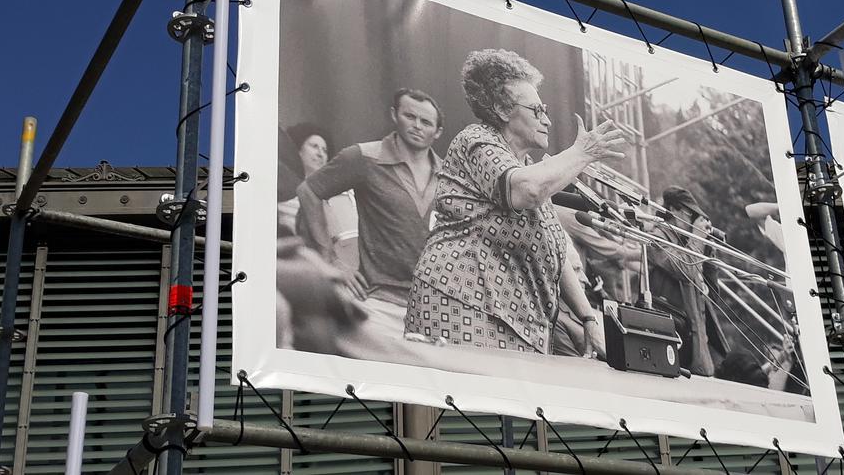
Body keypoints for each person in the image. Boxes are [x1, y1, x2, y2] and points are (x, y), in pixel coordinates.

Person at [404, 48, 628, 356]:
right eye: (537, 110)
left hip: (514, 320)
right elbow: (528, 190)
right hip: (461, 304)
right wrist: (582, 152)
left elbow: (556, 251)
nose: (547, 120)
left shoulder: (524, 164)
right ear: (502, 108)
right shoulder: (477, 141)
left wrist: (588, 318)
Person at [297, 89, 445, 335]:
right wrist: (332, 261)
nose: (417, 126)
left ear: (437, 132)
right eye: (410, 116)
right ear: (394, 115)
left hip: (435, 309)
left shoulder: (449, 174)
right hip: (380, 302)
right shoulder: (364, 157)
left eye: (426, 122)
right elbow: (309, 191)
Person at [649, 185, 720, 376]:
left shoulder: (687, 241)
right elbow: (685, 269)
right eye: (690, 214)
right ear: (672, 209)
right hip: (670, 336)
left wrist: (708, 248)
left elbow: (713, 295)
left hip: (694, 337)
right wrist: (697, 239)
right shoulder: (657, 237)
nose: (694, 221)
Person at [277, 123, 360, 271]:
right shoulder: (283, 200)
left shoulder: (341, 196)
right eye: (314, 146)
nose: (321, 154)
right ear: (297, 151)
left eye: (325, 150)